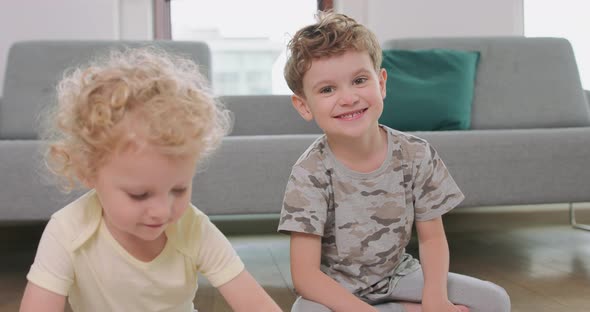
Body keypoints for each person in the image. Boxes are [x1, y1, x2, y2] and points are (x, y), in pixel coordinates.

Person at [277, 12, 511, 312]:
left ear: (382, 83)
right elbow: (306, 276)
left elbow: (431, 240)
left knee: (495, 301)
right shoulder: (308, 173)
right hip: (334, 288)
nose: (348, 98)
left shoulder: (417, 154)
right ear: (303, 105)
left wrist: (435, 299)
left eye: (359, 80)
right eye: (327, 89)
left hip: (401, 276)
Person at [19, 47, 282, 312]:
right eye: (139, 194)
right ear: (88, 172)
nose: (162, 211)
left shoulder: (193, 229)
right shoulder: (68, 231)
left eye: (178, 189)